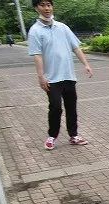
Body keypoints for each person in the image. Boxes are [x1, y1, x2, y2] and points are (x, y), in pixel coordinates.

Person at [28, 0, 93, 151]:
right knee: (56, 107)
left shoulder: (62, 27)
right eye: (43, 5)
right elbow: (37, 55)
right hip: (51, 78)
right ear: (36, 8)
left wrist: (86, 64)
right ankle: (52, 136)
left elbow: (75, 47)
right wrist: (40, 77)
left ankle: (73, 135)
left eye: (49, 5)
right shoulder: (35, 31)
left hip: (68, 76)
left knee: (71, 107)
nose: (47, 8)